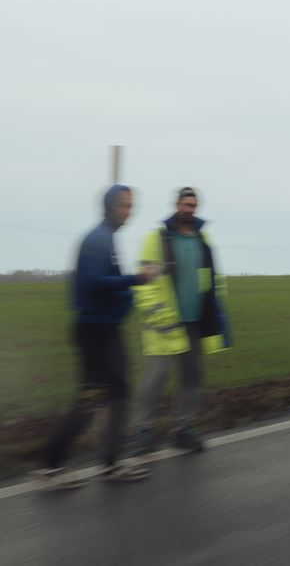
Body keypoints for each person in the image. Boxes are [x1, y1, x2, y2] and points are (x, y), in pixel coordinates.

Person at [31, 185, 156, 489]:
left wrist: (128, 292)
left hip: (103, 330)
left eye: (130, 206)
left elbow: (105, 285)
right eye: (123, 206)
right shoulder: (97, 239)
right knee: (95, 399)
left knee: (113, 395)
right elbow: (94, 282)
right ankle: (54, 467)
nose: (128, 212)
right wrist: (136, 279)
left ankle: (102, 463)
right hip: (96, 333)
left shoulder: (107, 238)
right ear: (109, 206)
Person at [130, 187, 230, 455]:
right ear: (175, 204)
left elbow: (212, 278)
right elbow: (144, 282)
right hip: (164, 324)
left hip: (194, 322)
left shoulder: (202, 238)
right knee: (155, 379)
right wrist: (158, 314)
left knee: (191, 378)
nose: (189, 209)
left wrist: (214, 310)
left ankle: (183, 428)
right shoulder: (158, 238)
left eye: (193, 205)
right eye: (185, 204)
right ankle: (141, 430)